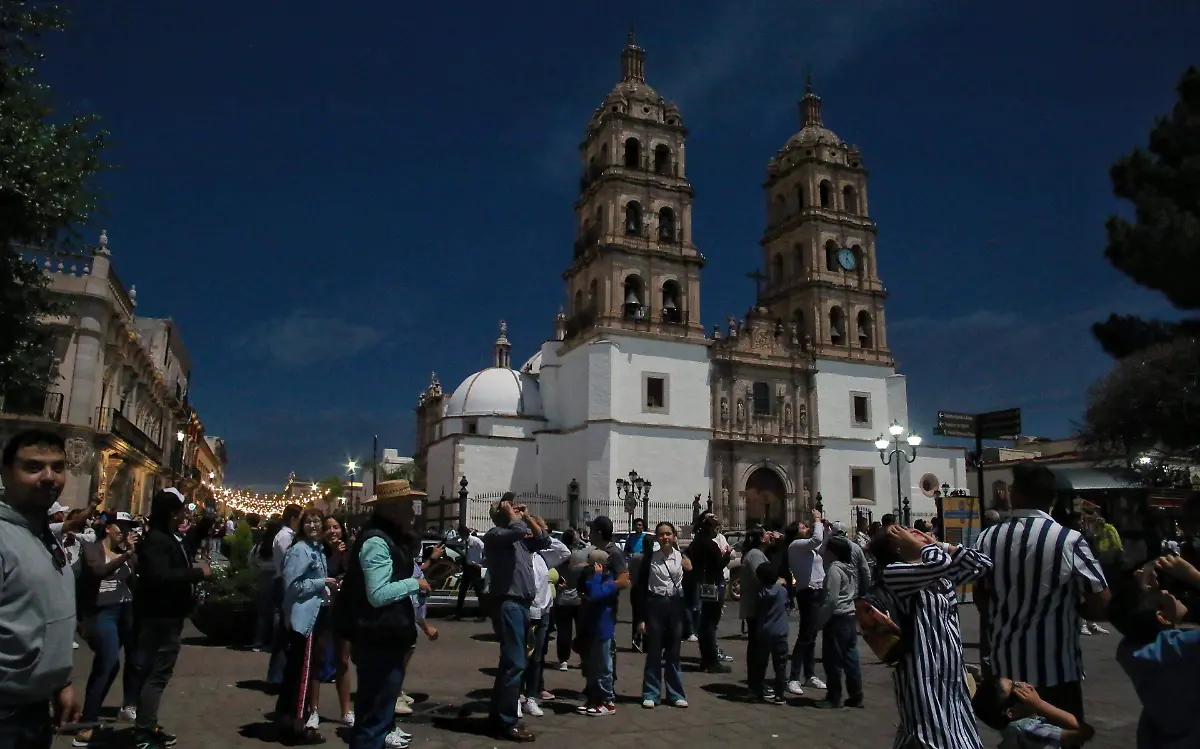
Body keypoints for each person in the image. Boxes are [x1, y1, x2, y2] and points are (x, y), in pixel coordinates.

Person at [974, 463, 1109, 724]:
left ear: (1015, 494)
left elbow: (981, 596)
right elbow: (1102, 603)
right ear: (1052, 497)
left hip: (1007, 672)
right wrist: (1075, 609)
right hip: (1057, 669)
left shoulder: (987, 539)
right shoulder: (1068, 540)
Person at [872, 524, 993, 749]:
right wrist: (921, 548)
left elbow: (982, 564)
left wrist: (940, 545)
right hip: (922, 671)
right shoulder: (895, 572)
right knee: (931, 736)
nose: (922, 535)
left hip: (951, 669)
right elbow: (939, 564)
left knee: (957, 732)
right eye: (910, 533)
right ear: (898, 546)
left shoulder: (935, 566)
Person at [0, 430, 80, 749]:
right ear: (6, 473)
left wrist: (60, 683)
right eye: (33, 467)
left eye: (57, 467)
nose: (49, 477)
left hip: (34, 713)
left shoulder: (41, 534)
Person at [338, 480, 430, 749]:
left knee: (377, 712)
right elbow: (377, 594)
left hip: (385, 635)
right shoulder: (377, 541)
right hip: (377, 637)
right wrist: (415, 584)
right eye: (407, 506)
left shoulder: (388, 538)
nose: (413, 512)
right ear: (392, 509)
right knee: (374, 717)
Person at [132, 488, 213, 748]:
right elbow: (161, 577)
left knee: (156, 672)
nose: (183, 515)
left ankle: (148, 725)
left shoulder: (168, 537)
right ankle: (144, 731)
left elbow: (186, 547)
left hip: (169, 616)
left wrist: (206, 522)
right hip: (161, 617)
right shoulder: (157, 540)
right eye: (179, 510)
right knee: (157, 673)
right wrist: (197, 574)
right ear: (170, 513)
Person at [1108, 555, 1200, 749]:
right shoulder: (1187, 647)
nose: (1168, 591)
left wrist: (1138, 590)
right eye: (1162, 592)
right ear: (1161, 615)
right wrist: (1193, 576)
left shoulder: (1130, 650)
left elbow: (1128, 614)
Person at [483, 495, 550, 742]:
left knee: (511, 663)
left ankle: (498, 717)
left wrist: (529, 517)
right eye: (510, 506)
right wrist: (515, 518)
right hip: (508, 603)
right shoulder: (495, 535)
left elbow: (544, 539)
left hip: (521, 605)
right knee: (515, 662)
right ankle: (506, 721)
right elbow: (518, 530)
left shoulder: (519, 540)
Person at [74, 511, 141, 746]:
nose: (125, 532)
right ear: (108, 528)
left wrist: (131, 554)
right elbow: (98, 571)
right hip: (103, 613)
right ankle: (87, 723)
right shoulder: (93, 549)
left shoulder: (126, 553)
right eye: (121, 527)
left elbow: (135, 578)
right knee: (108, 662)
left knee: (132, 660)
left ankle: (128, 706)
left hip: (126, 611)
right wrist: (127, 555)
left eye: (128, 527)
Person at [634, 522, 691, 709]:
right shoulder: (650, 558)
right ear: (657, 538)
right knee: (654, 652)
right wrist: (641, 618)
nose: (665, 537)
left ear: (674, 536)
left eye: (668, 534)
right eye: (661, 534)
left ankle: (676, 694)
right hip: (655, 604)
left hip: (674, 605)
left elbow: (689, 584)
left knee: (674, 652)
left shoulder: (681, 558)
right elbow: (640, 589)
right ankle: (651, 693)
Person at [520, 522, 569, 718]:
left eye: (538, 532)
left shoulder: (542, 556)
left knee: (536, 658)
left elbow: (564, 551)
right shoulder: (519, 554)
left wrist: (543, 533)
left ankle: (531, 697)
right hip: (523, 611)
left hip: (543, 611)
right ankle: (517, 696)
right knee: (519, 657)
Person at [973, 679, 1095, 748]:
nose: (1022, 683)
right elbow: (1080, 732)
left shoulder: (1011, 730)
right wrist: (1040, 704)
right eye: (1015, 686)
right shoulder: (1029, 729)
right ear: (1012, 712)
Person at [815, 536, 863, 709]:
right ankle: (856, 693)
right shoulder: (849, 568)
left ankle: (834, 696)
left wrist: (820, 621)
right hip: (850, 615)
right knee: (850, 656)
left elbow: (831, 599)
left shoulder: (834, 570)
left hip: (837, 617)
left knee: (833, 659)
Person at [786, 509, 828, 696]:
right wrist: (817, 519)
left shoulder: (807, 546)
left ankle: (809, 675)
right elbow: (817, 540)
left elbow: (823, 543)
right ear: (796, 532)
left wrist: (824, 526)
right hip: (808, 593)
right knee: (805, 636)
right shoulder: (796, 545)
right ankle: (794, 677)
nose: (807, 527)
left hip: (818, 592)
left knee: (811, 636)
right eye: (803, 527)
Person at [685, 513, 732, 673]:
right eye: (716, 528)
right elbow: (718, 566)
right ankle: (711, 660)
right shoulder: (710, 545)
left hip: (702, 582)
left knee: (705, 622)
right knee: (711, 623)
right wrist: (726, 555)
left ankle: (706, 658)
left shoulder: (696, 542)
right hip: (713, 583)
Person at [578, 549, 619, 716]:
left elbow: (595, 594)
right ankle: (594, 699)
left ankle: (608, 701)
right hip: (592, 627)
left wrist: (596, 576)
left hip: (603, 629)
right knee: (593, 666)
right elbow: (584, 588)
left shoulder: (610, 582)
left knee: (604, 666)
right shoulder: (594, 580)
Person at [268, 505, 303, 686]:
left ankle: (280, 676)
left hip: (284, 583)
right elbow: (287, 563)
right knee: (284, 631)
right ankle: (277, 677)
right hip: (284, 583)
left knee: (285, 632)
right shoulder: (285, 537)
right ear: (293, 518)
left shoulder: (287, 536)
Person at [749, 563, 789, 703]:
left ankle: (757, 691)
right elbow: (787, 604)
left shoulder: (760, 592)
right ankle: (779, 694)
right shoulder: (782, 591)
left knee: (761, 663)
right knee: (780, 665)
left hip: (764, 631)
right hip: (780, 632)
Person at [453, 524, 486, 621]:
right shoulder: (464, 541)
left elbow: (486, 550)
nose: (460, 535)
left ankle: (482, 615)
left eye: (460, 533)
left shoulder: (475, 541)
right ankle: (458, 613)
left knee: (479, 592)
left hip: (475, 568)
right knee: (462, 591)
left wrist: (482, 563)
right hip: (467, 568)